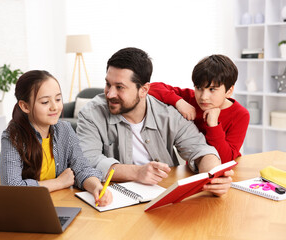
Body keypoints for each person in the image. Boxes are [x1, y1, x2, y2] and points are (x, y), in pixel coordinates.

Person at [76, 47, 233, 196]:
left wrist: (214, 175)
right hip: (111, 198)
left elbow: (200, 150)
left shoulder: (168, 115)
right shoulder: (91, 114)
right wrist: (137, 172)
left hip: (162, 199)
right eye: (108, 84)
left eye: (120, 87)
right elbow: (86, 160)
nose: (110, 94)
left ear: (144, 90)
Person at [0, 70, 112, 207]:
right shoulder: (13, 137)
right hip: (27, 208)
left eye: (58, 99)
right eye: (45, 102)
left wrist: (96, 187)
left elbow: (81, 168)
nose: (55, 107)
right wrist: (59, 182)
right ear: (25, 106)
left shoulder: (65, 130)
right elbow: (13, 188)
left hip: (61, 204)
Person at [149, 55, 250, 163]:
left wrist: (213, 125)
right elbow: (151, 87)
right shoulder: (191, 98)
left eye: (212, 89)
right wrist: (179, 102)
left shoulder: (240, 114)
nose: (203, 97)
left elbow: (225, 160)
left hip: (225, 172)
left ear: (229, 91)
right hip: (195, 168)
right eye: (199, 88)